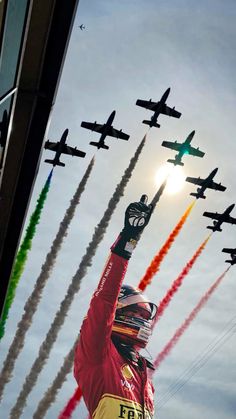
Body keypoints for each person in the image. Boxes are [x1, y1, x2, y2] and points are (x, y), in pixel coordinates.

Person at [74, 195, 157, 418]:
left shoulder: (145, 373)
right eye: (135, 313)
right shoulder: (98, 352)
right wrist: (128, 241)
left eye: (144, 316)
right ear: (117, 313)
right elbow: (104, 299)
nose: (141, 319)